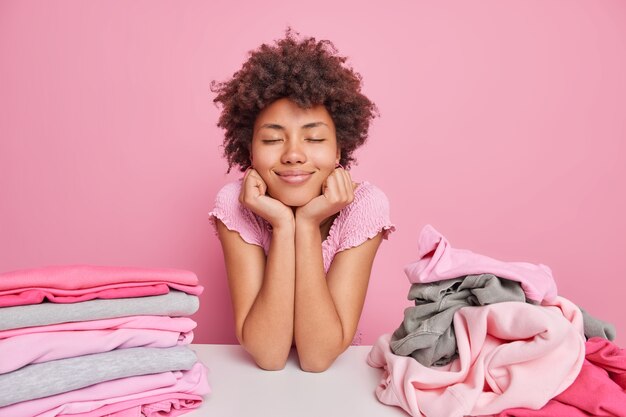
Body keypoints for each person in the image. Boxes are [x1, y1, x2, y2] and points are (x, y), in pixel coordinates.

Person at [209, 28, 394, 372]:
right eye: (272, 139)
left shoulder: (365, 205)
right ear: (249, 149)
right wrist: (282, 225)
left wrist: (307, 224)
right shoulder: (235, 203)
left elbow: (318, 357)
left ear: (339, 147)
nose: (294, 154)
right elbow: (268, 354)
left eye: (314, 138)